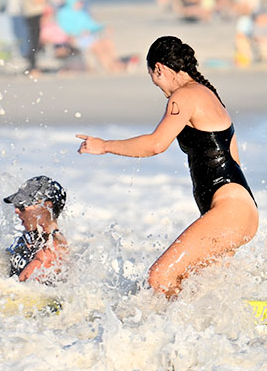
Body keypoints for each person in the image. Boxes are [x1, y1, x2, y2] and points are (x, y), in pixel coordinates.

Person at [76, 36, 257, 299]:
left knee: (160, 277)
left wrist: (104, 146)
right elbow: (234, 159)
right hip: (238, 210)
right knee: (200, 291)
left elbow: (155, 144)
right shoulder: (208, 94)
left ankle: (172, 326)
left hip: (230, 211)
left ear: (159, 68)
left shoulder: (185, 96)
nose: (161, 90)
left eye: (155, 80)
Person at [0, 176, 69, 283]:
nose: (16, 210)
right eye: (16, 204)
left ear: (46, 207)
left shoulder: (49, 252)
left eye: (23, 206)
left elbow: (17, 290)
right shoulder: (34, 236)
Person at [55, 0, 124, 73]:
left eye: (82, 1)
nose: (81, 3)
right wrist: (80, 32)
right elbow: (63, 29)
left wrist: (103, 27)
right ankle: (109, 66)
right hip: (75, 39)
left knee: (108, 42)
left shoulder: (81, 13)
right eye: (79, 1)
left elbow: (92, 25)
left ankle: (115, 63)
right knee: (97, 46)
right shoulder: (63, 13)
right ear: (72, 1)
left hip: (88, 37)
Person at [19, 0, 48, 75]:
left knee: (35, 41)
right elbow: (39, 0)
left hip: (34, 15)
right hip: (32, 15)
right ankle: (32, 67)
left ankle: (33, 66)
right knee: (33, 41)